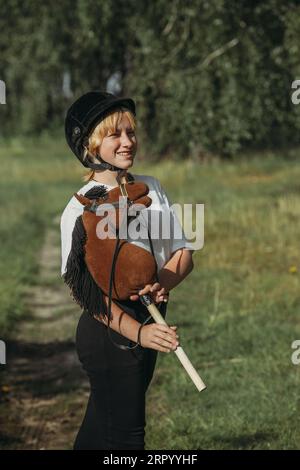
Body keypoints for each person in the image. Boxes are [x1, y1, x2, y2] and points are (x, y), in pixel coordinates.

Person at [61, 91, 195, 450]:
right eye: (114, 134)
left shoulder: (151, 187)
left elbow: (182, 253)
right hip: (110, 333)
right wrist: (140, 333)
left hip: (150, 319)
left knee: (101, 427)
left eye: (131, 132)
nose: (127, 142)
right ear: (89, 145)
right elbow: (87, 295)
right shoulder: (78, 210)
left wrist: (162, 282)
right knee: (127, 437)